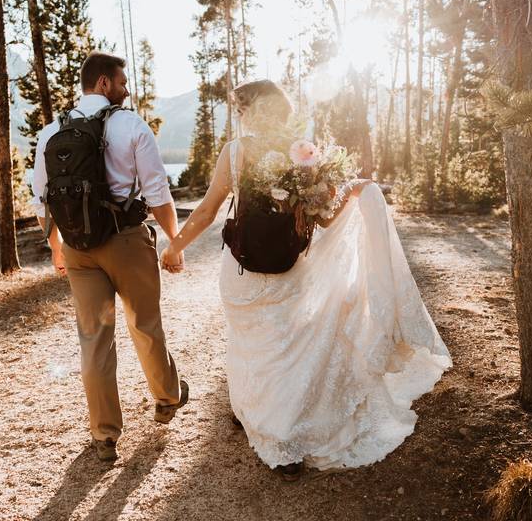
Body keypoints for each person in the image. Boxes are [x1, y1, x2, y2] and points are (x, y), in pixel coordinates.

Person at [160, 79, 451, 481]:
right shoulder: (303, 156)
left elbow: (208, 211)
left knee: (248, 343)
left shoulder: (236, 153)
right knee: (282, 352)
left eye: (241, 110)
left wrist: (174, 247)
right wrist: (352, 191)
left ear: (250, 111)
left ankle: (268, 429)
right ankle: (271, 423)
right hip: (287, 270)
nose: (240, 117)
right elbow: (325, 217)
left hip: (241, 270)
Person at [32, 52, 189, 463]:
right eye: (121, 83)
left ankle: (104, 436)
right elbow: (157, 193)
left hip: (77, 249)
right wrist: (175, 241)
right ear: (103, 83)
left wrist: (56, 248)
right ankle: (168, 397)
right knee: (145, 323)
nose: (126, 90)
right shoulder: (131, 125)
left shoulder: (50, 133)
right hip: (125, 241)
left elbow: (42, 200)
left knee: (94, 340)